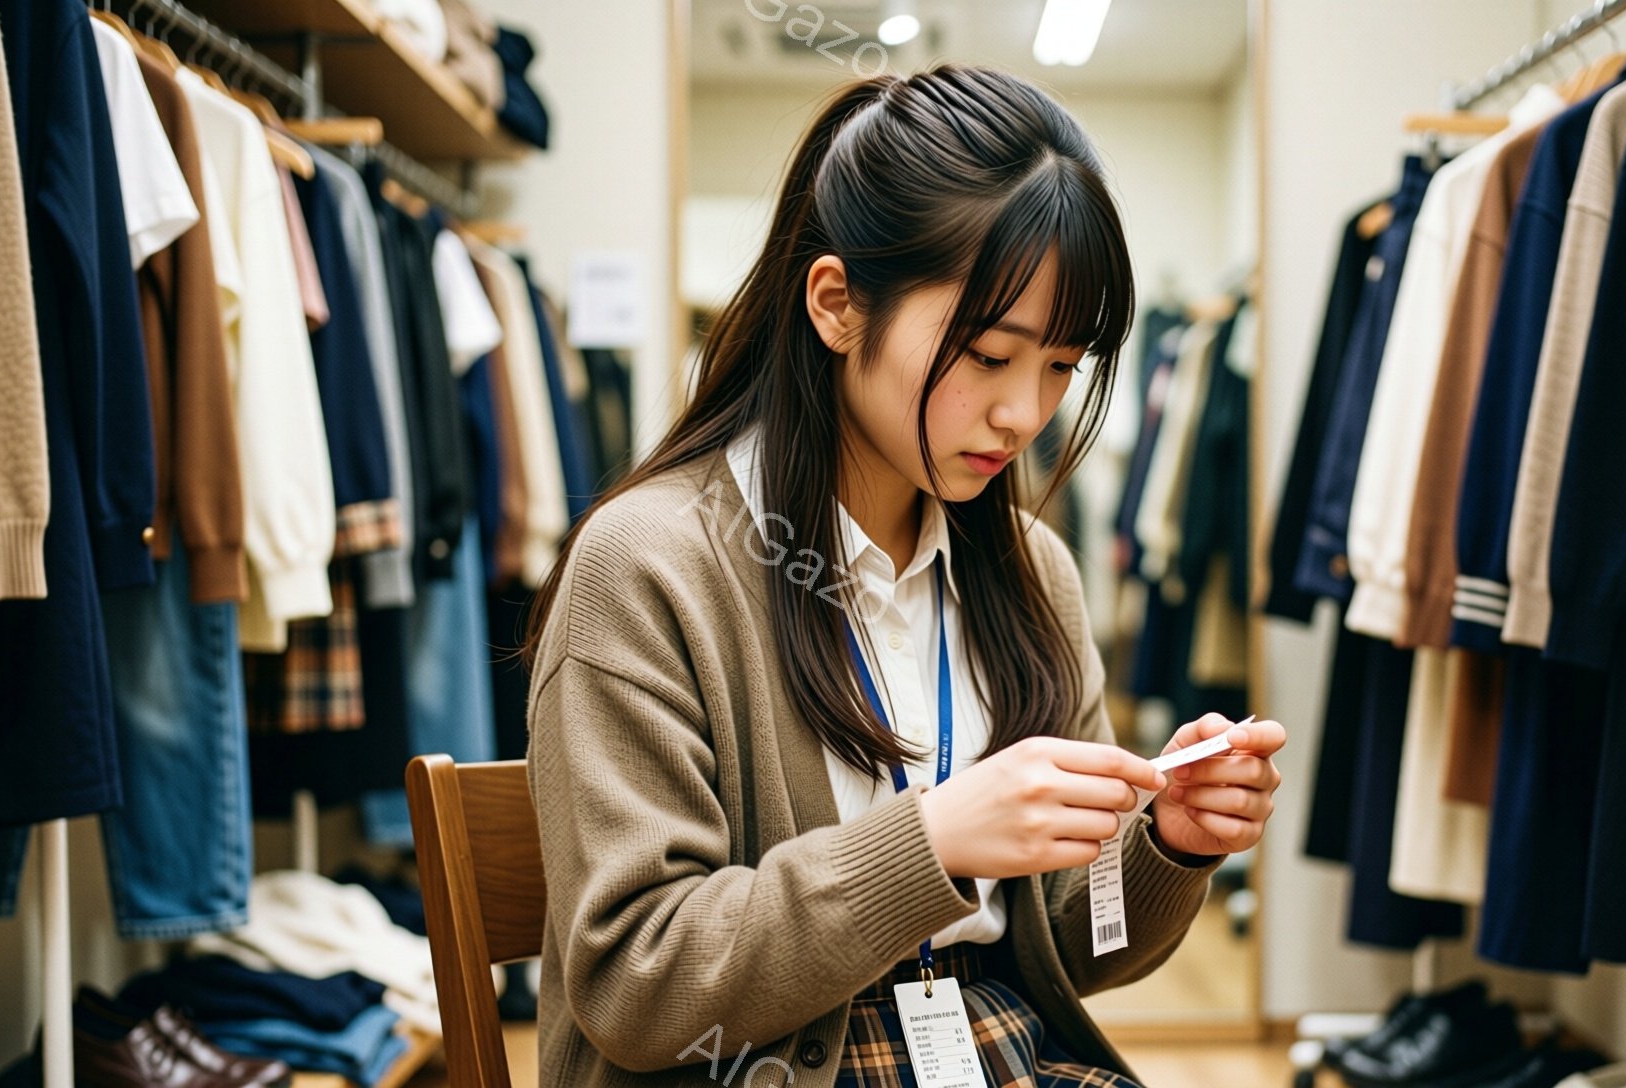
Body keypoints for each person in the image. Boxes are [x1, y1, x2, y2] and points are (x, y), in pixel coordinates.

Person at [520, 64, 1286, 1086]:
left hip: (988, 1052)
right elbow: (637, 981)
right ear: (837, 304)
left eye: (1061, 364)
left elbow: (1069, 951)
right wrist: (930, 838)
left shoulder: (1033, 574)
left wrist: (1168, 846)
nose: (1026, 412)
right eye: (987, 353)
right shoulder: (649, 566)